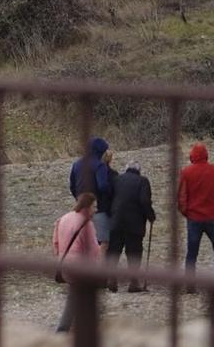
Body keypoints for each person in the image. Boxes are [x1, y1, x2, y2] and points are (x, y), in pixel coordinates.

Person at [177, 142, 214, 284]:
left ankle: (190, 282)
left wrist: (186, 212)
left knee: (192, 252)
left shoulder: (186, 172)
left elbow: (182, 196)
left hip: (194, 218)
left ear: (192, 156)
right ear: (206, 155)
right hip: (213, 216)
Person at [53, 192, 103, 333]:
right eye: (94, 206)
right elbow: (93, 251)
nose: (95, 210)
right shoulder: (87, 224)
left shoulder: (64, 218)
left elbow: (55, 241)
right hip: (80, 267)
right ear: (87, 207)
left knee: (75, 296)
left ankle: (71, 328)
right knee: (83, 298)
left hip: (64, 264)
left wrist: (60, 256)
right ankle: (70, 329)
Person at [107, 160, 157, 292]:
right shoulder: (143, 181)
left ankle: (111, 279)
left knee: (114, 251)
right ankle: (133, 283)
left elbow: (110, 198)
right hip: (134, 223)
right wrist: (151, 216)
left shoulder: (117, 179)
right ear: (138, 170)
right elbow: (145, 201)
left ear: (126, 169)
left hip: (116, 220)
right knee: (134, 252)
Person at [67, 137, 116, 249]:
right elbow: (103, 186)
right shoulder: (99, 165)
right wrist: (110, 194)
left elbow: (72, 186)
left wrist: (79, 199)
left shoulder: (77, 164)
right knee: (103, 242)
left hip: (80, 208)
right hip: (98, 209)